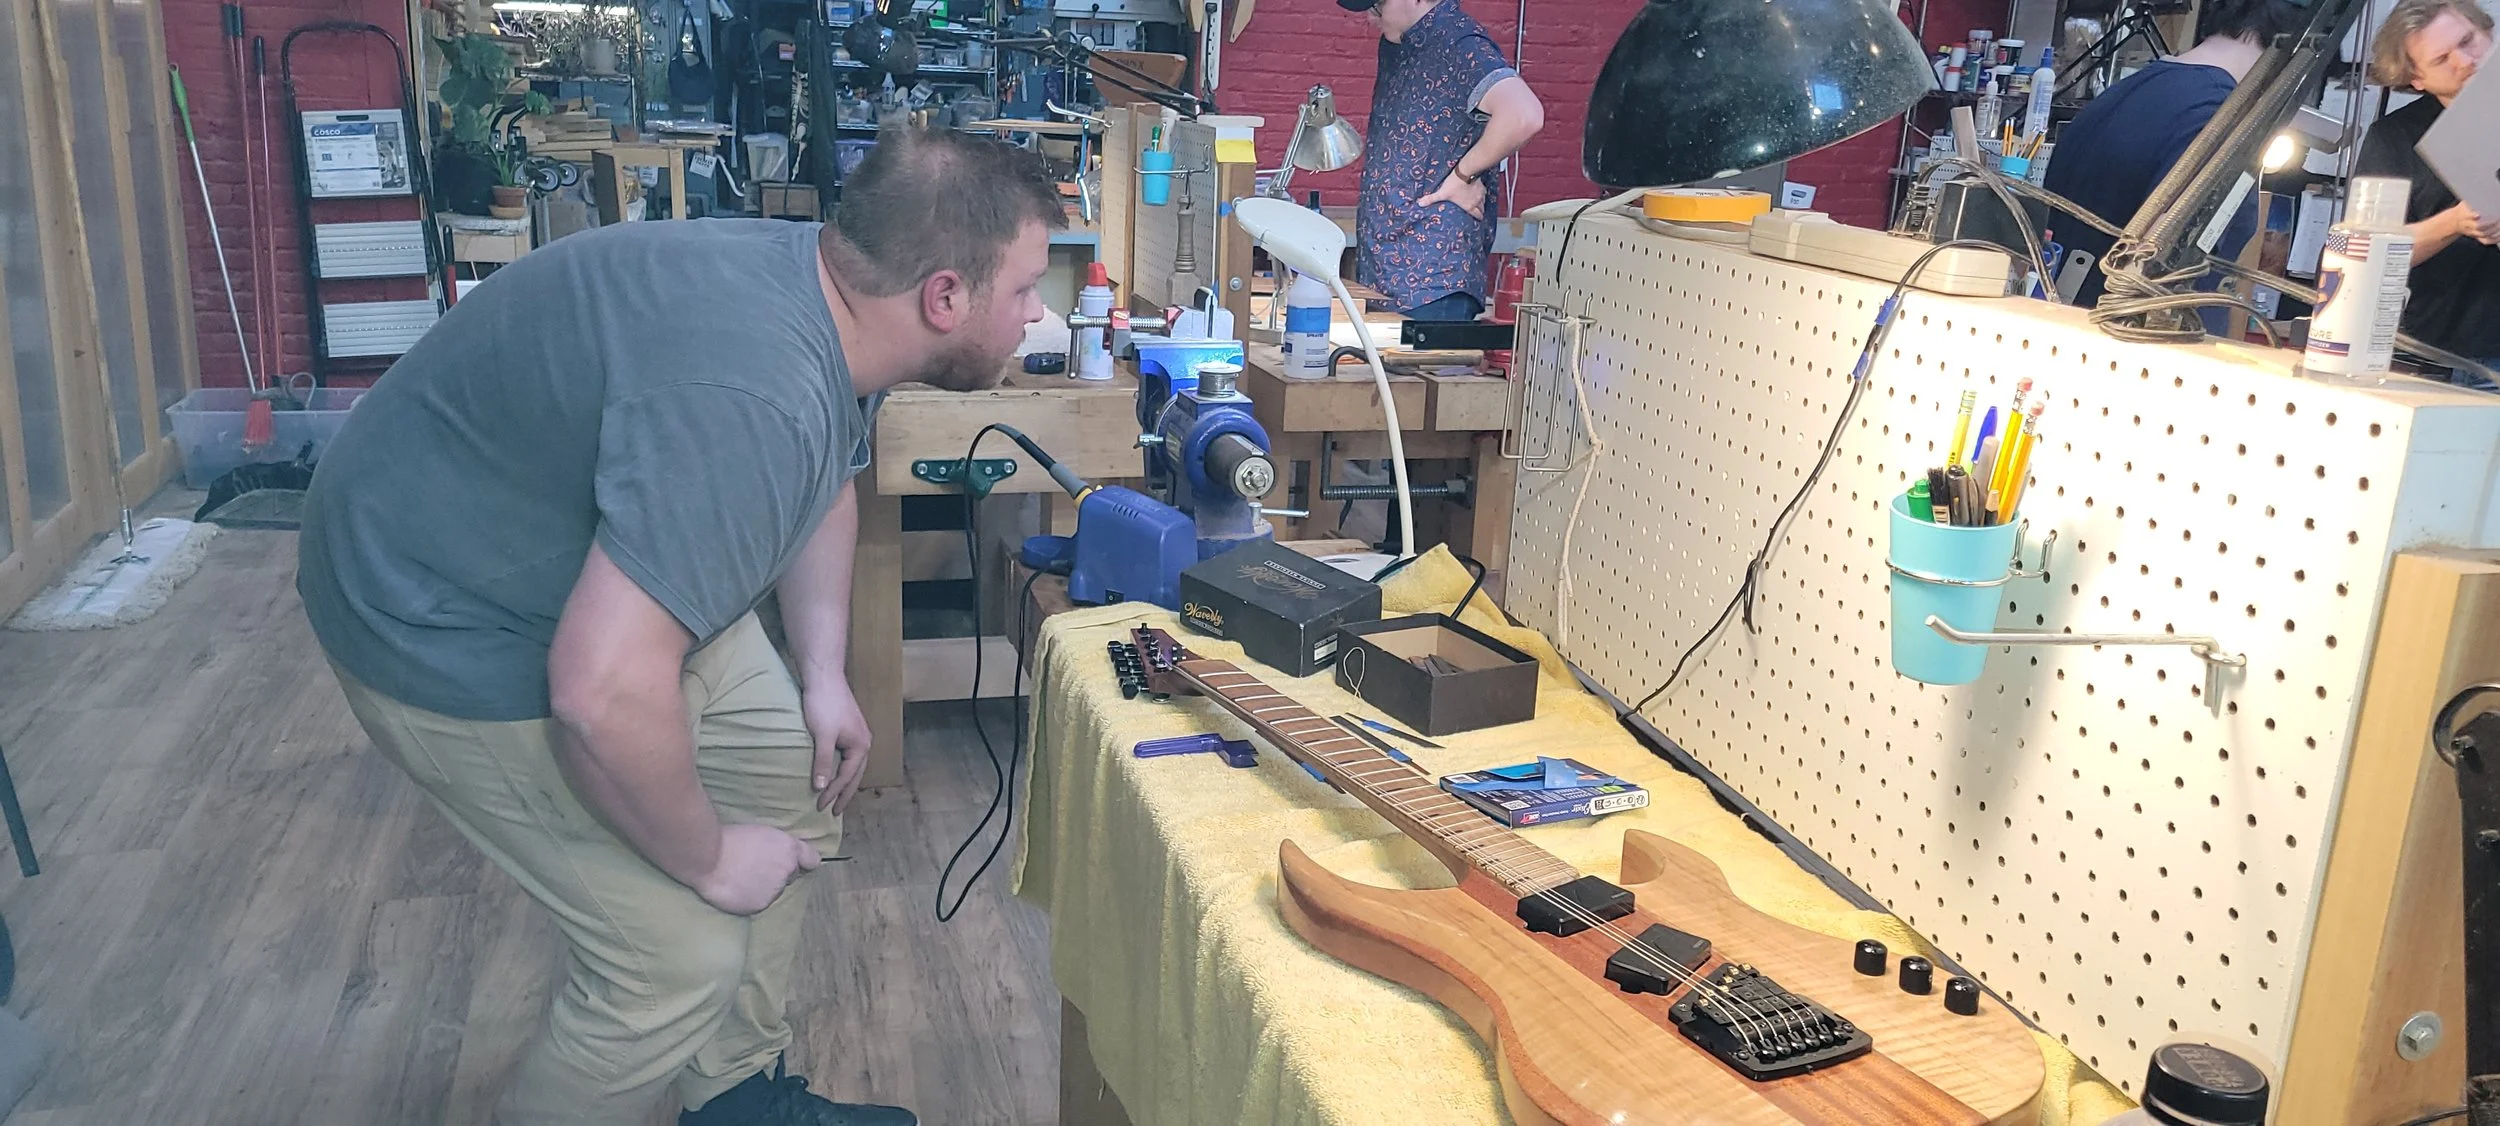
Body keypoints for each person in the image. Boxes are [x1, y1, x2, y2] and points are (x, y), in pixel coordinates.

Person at [295, 127, 1062, 1126]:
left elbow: (824, 477)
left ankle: (735, 1100)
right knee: (670, 964)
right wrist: (707, 860)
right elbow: (599, 691)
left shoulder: (833, 303)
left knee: (793, 765)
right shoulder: (754, 392)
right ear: (944, 297)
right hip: (434, 603)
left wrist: (824, 674)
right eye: (1027, 287)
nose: (1038, 313)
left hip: (567, 556)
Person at [2044, 0, 2306, 335]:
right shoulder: (2211, 119)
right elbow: (2162, 272)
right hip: (2136, 347)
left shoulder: (2130, 91)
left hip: (2072, 329)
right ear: (2296, 43)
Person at [1339, 0, 1545, 321]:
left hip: (1433, 280)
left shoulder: (1458, 41)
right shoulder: (1402, 43)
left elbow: (1523, 114)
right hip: (1388, 273)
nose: (1370, 16)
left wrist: (1463, 176)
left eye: (1378, 4)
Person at [2357, 0, 2500, 384]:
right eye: (2441, 59)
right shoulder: (2396, 138)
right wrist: (2455, 222)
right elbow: (2368, 252)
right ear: (2415, 78)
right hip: (2449, 350)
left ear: (2488, 32)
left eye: (2468, 41)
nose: (2464, 61)